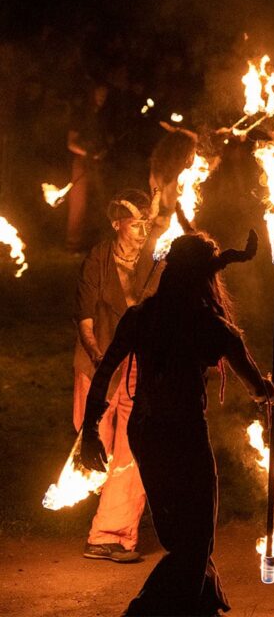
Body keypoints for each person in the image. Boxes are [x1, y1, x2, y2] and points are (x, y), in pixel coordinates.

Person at [79, 232, 274, 616]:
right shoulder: (210, 324)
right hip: (182, 435)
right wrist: (272, 392)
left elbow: (104, 370)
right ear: (206, 276)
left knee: (181, 535)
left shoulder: (141, 316)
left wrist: (91, 429)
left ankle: (202, 605)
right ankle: (144, 611)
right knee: (195, 537)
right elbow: (256, 384)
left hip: (144, 431)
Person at [73, 186, 176, 563]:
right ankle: (104, 517)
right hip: (98, 364)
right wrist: (99, 356)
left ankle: (111, 535)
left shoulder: (157, 260)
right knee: (94, 443)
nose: (142, 229)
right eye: (135, 224)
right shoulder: (98, 259)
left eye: (147, 223)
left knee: (132, 451)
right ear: (117, 224)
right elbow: (85, 320)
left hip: (139, 367)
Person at [66, 82, 112, 252]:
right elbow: (70, 143)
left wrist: (103, 150)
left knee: (100, 201)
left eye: (104, 96)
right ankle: (73, 244)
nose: (101, 98)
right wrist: (88, 154)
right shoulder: (80, 114)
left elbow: (103, 140)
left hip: (98, 165)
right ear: (91, 94)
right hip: (81, 164)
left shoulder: (101, 116)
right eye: (99, 94)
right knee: (79, 204)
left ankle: (99, 242)